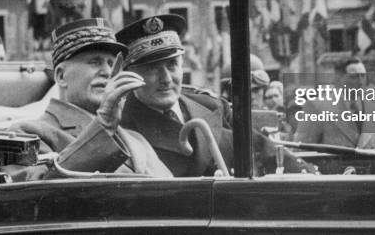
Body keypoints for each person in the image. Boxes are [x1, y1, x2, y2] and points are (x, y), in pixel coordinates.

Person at [116, 14, 314, 177]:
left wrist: (311, 177)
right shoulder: (121, 125)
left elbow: (263, 149)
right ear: (130, 74)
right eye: (152, 69)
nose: (166, 78)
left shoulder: (211, 105)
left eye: (172, 65)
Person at [6, 18, 172, 181]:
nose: (107, 72)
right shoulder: (25, 134)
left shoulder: (136, 139)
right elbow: (36, 195)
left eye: (111, 63)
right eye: (95, 62)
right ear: (61, 75)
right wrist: (104, 124)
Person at [293, 57, 375, 148]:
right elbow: (302, 148)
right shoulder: (318, 106)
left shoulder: (373, 108)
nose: (360, 81)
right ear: (340, 78)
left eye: (363, 76)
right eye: (354, 77)